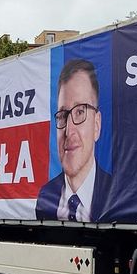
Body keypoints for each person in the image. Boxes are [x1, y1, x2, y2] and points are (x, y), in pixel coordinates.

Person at [36, 58, 112, 221]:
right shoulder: (45, 196)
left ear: (97, 125)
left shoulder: (117, 194)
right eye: (63, 115)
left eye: (80, 112)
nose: (69, 131)